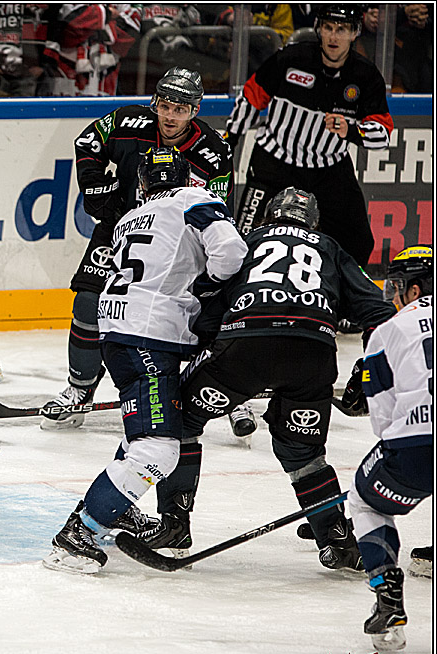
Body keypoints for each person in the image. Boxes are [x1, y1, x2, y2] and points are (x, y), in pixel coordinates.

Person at [135, 188, 397, 565]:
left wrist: (199, 351)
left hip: (245, 350)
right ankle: (335, 537)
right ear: (314, 223)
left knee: (181, 422)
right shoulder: (330, 248)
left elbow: (208, 310)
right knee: (303, 452)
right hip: (313, 356)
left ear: (267, 216)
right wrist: (367, 370)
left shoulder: (248, 241)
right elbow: (380, 314)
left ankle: (175, 523)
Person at [44, 147, 248, 574]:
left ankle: (114, 510)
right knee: (157, 449)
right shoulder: (194, 200)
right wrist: (208, 286)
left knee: (143, 437)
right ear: (188, 178)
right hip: (150, 337)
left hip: (118, 332)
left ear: (142, 184)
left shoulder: (128, 218)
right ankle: (79, 534)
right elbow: (230, 250)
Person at [46, 65, 258, 440]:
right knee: (87, 302)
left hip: (181, 238)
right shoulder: (128, 120)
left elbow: (218, 208)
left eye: (180, 108)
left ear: (194, 111)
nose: (170, 115)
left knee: (209, 307)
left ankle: (230, 391)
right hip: (123, 229)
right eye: (165, 106)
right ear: (155, 103)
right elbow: (88, 142)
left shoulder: (213, 152)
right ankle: (80, 387)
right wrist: (95, 186)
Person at [224, 4, 393, 268]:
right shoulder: (290, 58)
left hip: (329, 169)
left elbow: (382, 134)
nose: (333, 37)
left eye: (342, 29)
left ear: (355, 33)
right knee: (245, 238)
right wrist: (229, 141)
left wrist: (351, 131)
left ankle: (342, 298)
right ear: (318, 29)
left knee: (359, 242)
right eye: (328, 28)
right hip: (274, 163)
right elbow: (251, 97)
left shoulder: (366, 76)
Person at [345, 245, 432, 651]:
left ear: (415, 291)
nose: (393, 296)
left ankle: (388, 598)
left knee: (366, 503)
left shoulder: (388, 331)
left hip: (417, 443)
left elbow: (383, 422)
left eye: (397, 287)